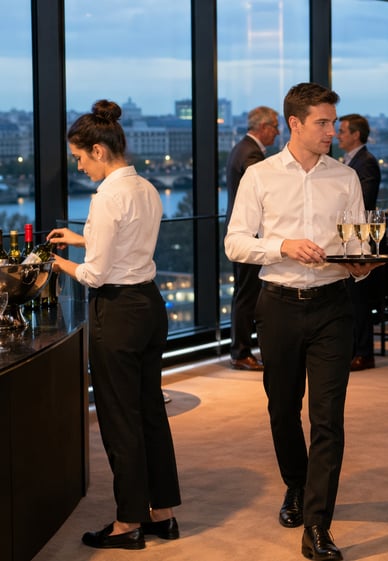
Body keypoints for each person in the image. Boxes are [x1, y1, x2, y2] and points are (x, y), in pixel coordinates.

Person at [224, 82, 380, 561]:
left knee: (328, 419)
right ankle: (296, 482)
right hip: (278, 305)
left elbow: (356, 244)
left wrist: (362, 262)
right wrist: (282, 246)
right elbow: (234, 242)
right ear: (295, 124)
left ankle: (317, 526)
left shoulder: (345, 178)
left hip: (334, 307)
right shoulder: (261, 175)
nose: (333, 130)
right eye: (323, 123)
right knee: (281, 409)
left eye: (334, 122)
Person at [48, 100, 181, 550]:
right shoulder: (145, 188)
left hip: (118, 313)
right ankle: (161, 514)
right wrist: (83, 238)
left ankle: (128, 524)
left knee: (119, 420)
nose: (80, 166)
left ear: (100, 150)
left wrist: (57, 261)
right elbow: (127, 243)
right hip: (148, 306)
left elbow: (94, 274)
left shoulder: (107, 196)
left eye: (81, 157)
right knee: (149, 413)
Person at [225, 106, 280, 371]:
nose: (278, 132)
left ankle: (241, 350)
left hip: (246, 234)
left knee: (244, 293)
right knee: (247, 295)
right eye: (275, 127)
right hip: (249, 236)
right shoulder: (251, 155)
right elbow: (265, 192)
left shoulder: (242, 148)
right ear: (263, 127)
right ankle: (241, 352)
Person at [337, 113, 381, 371]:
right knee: (351, 300)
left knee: (359, 301)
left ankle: (364, 353)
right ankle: (354, 348)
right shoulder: (351, 161)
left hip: (359, 239)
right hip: (349, 237)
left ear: (356, 134)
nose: (338, 135)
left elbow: (363, 203)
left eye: (342, 131)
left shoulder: (366, 162)